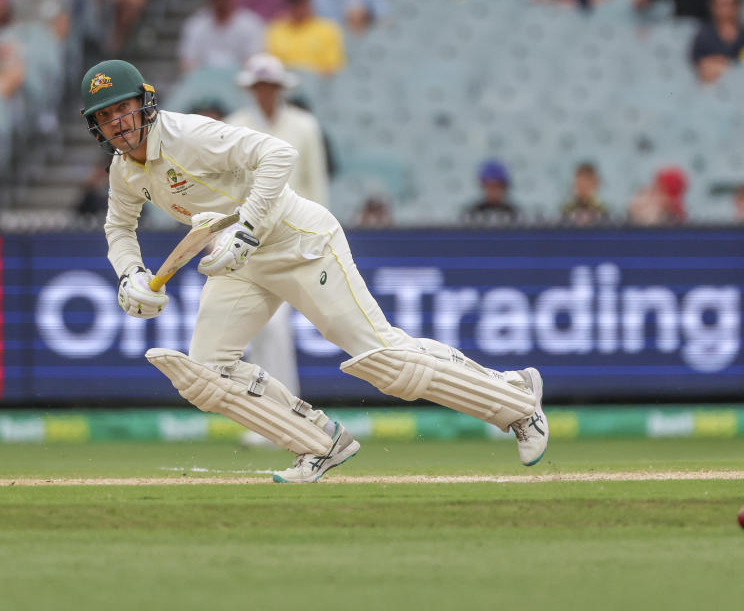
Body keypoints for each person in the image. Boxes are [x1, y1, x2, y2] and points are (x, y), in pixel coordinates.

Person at [79, 58, 549, 482]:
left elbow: (279, 155)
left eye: (123, 109)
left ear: (145, 106)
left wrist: (246, 228)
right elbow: (119, 227)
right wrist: (130, 274)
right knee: (206, 374)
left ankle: (518, 404)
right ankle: (320, 444)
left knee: (382, 360)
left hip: (298, 242)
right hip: (240, 261)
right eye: (104, 116)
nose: (116, 123)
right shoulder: (124, 171)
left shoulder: (189, 136)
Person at [225, 53, 331, 396]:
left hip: (293, 238)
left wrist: (320, 236)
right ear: (252, 89)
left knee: (279, 331)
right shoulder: (236, 125)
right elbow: (229, 189)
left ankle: (286, 411)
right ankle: (267, 415)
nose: (265, 93)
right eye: (259, 86)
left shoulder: (305, 126)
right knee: (260, 329)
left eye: (270, 86)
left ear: (279, 88)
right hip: (249, 241)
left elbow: (316, 185)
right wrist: (226, 236)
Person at [179, 0, 264, 73]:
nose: (220, 1)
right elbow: (188, 61)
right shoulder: (195, 25)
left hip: (239, 80)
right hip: (203, 80)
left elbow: (254, 60)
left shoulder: (251, 24)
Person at [266, 0, 345, 74]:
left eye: (302, 5)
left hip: (318, 82)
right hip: (285, 80)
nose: (299, 10)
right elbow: (272, 65)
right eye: (295, 6)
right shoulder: (276, 30)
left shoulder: (327, 29)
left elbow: (333, 66)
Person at [462, 160, 521, 226]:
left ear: (504, 188)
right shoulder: (473, 213)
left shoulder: (514, 214)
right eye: (489, 186)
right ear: (483, 187)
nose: (493, 191)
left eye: (497, 186)